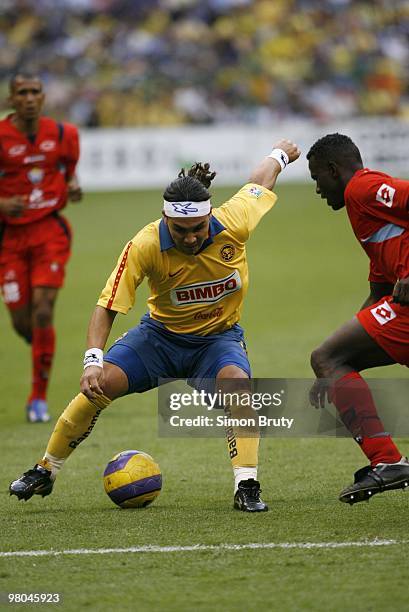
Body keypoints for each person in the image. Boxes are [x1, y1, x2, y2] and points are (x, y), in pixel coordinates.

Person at [9, 139, 300, 512]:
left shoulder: (234, 221)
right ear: (166, 221)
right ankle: (45, 470)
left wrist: (279, 155)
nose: (191, 237)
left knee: (238, 390)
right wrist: (92, 361)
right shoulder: (145, 244)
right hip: (159, 339)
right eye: (180, 231)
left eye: (197, 228)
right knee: (100, 386)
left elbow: (260, 181)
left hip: (217, 340)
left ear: (209, 215)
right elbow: (107, 305)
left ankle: (247, 485)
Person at [307, 133, 409, 505]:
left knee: (327, 356)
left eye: (317, 177)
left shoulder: (363, 189)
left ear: (334, 170)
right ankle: (388, 461)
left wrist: (330, 363)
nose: (317, 189)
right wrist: (334, 376)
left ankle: (388, 462)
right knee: (330, 359)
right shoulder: (368, 217)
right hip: (401, 310)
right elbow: (379, 296)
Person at [0, 74, 82, 423]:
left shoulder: (65, 135)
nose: (30, 98)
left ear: (44, 97)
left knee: (43, 309)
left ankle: (38, 398)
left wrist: (73, 187)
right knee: (22, 321)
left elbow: (69, 174)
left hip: (50, 230)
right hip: (9, 238)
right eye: (23, 93)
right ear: (12, 98)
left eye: (35, 92)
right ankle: (43, 350)